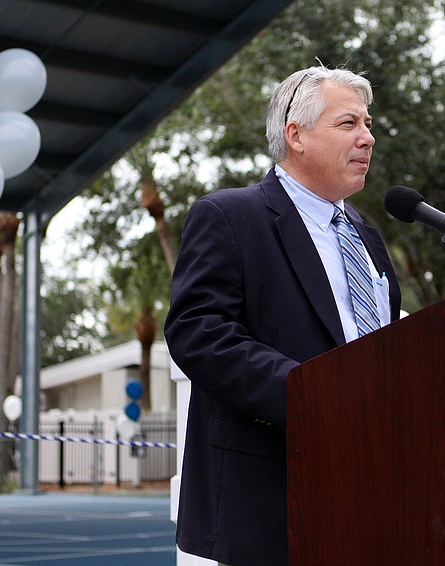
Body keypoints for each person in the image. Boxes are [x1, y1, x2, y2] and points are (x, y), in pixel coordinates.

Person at [164, 65, 402, 565]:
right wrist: (315, 396)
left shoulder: (367, 236)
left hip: (370, 498)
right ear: (296, 135)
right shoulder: (230, 216)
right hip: (267, 508)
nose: (368, 138)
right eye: (349, 124)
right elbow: (198, 334)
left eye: (368, 124)